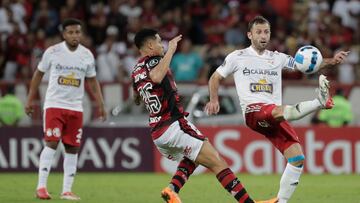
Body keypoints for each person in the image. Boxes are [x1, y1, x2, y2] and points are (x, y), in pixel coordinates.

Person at [205, 16, 349, 203]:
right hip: (253, 111)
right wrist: (213, 99)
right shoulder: (237, 57)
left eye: (266, 32)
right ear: (250, 35)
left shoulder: (277, 58)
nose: (263, 36)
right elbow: (215, 78)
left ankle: (281, 202)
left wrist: (331, 61)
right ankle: (319, 102)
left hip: (274, 116)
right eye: (259, 32)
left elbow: (304, 64)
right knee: (277, 111)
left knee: (297, 157)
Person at [132, 28, 276, 203]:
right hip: (173, 124)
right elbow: (156, 76)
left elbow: (137, 98)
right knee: (217, 162)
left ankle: (171, 190)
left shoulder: (136, 70)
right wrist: (171, 50)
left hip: (157, 132)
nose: (162, 44)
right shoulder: (155, 61)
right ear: (149, 44)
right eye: (159, 40)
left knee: (193, 157)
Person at [25, 18, 106, 200]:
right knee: (52, 143)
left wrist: (100, 104)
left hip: (76, 107)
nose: (74, 35)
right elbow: (38, 75)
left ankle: (67, 190)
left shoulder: (86, 55)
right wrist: (30, 99)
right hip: (54, 105)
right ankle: (41, 187)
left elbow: (92, 81)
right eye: (70, 32)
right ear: (64, 34)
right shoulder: (52, 52)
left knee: (72, 148)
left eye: (77, 32)